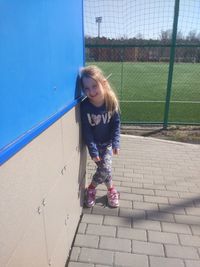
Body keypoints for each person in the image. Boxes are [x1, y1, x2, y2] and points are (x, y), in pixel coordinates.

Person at [80, 65, 120, 208]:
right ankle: (111, 189)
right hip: (95, 145)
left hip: (107, 143)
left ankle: (91, 188)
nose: (91, 91)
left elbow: (116, 124)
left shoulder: (111, 101)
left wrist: (116, 143)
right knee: (105, 169)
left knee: (105, 168)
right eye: (86, 88)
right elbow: (87, 131)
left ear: (102, 83)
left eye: (94, 86)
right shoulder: (85, 107)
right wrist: (93, 150)